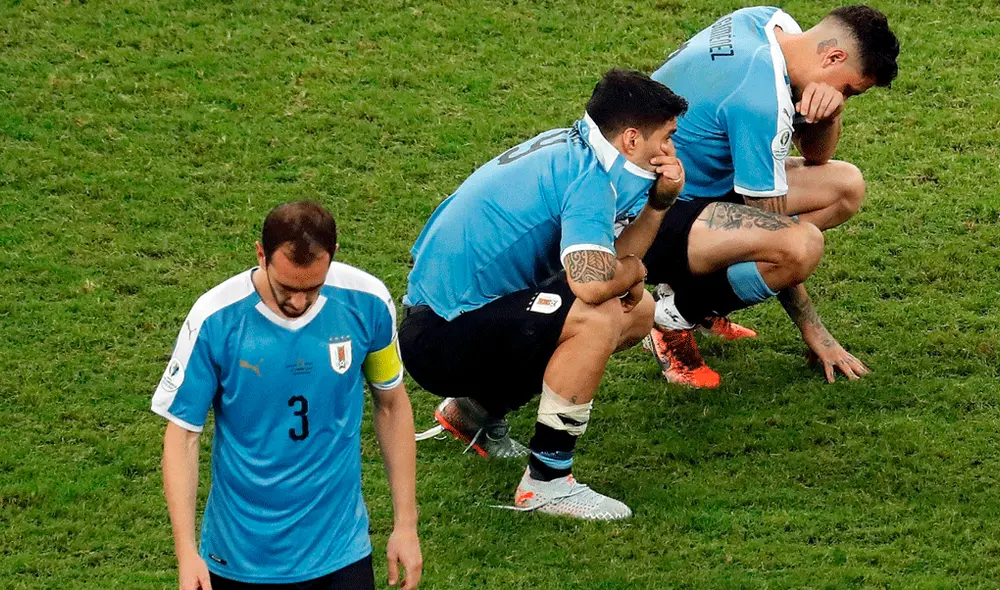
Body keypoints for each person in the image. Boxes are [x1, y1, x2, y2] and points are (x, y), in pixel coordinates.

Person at [399, 69, 688, 519]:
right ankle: (547, 482)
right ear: (632, 138)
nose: (670, 150)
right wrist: (636, 270)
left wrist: (658, 204)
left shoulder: (572, 148)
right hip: (439, 337)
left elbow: (603, 263)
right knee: (597, 316)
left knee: (638, 311)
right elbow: (593, 284)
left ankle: (473, 413)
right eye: (666, 137)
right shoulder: (590, 179)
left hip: (444, 318)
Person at [152, 201, 422, 589]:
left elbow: (392, 404)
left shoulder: (368, 303)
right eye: (287, 288)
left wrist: (406, 525)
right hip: (239, 558)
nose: (298, 303)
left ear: (333, 256)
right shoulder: (215, 319)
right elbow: (182, 435)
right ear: (260, 255)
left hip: (341, 551)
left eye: (312, 288)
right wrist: (186, 552)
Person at [639, 5, 899, 388]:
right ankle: (672, 318)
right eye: (847, 89)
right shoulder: (761, 97)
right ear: (833, 57)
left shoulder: (768, 22)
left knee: (845, 186)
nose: (843, 97)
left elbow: (817, 157)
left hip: (678, 183)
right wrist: (814, 330)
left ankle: (697, 286)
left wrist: (829, 115)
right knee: (799, 247)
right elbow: (774, 232)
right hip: (644, 217)